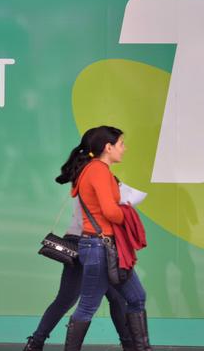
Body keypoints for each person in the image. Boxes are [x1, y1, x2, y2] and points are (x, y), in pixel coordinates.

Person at [59, 126, 152, 351]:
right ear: (108, 148)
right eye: (121, 144)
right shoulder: (98, 170)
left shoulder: (93, 170)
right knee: (89, 305)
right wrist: (128, 214)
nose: (124, 148)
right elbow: (110, 212)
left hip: (103, 247)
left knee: (136, 297)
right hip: (99, 247)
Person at [23, 199, 134, 350]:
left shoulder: (89, 185)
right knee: (71, 298)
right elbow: (92, 223)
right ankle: (36, 342)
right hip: (87, 244)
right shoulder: (94, 187)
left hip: (95, 245)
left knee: (115, 297)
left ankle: (35, 343)